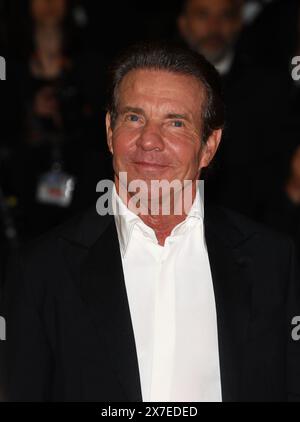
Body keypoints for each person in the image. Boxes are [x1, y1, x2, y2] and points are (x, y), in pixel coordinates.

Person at [2, 43, 300, 402]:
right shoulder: (40, 271)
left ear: (209, 145)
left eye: (175, 123)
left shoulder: (274, 262)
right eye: (134, 118)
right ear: (110, 130)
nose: (149, 141)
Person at [177, 0, 293, 218]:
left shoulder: (270, 88)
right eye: (203, 15)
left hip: (253, 223)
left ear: (238, 23)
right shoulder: (160, 87)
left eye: (225, 16)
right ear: (183, 24)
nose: (214, 26)